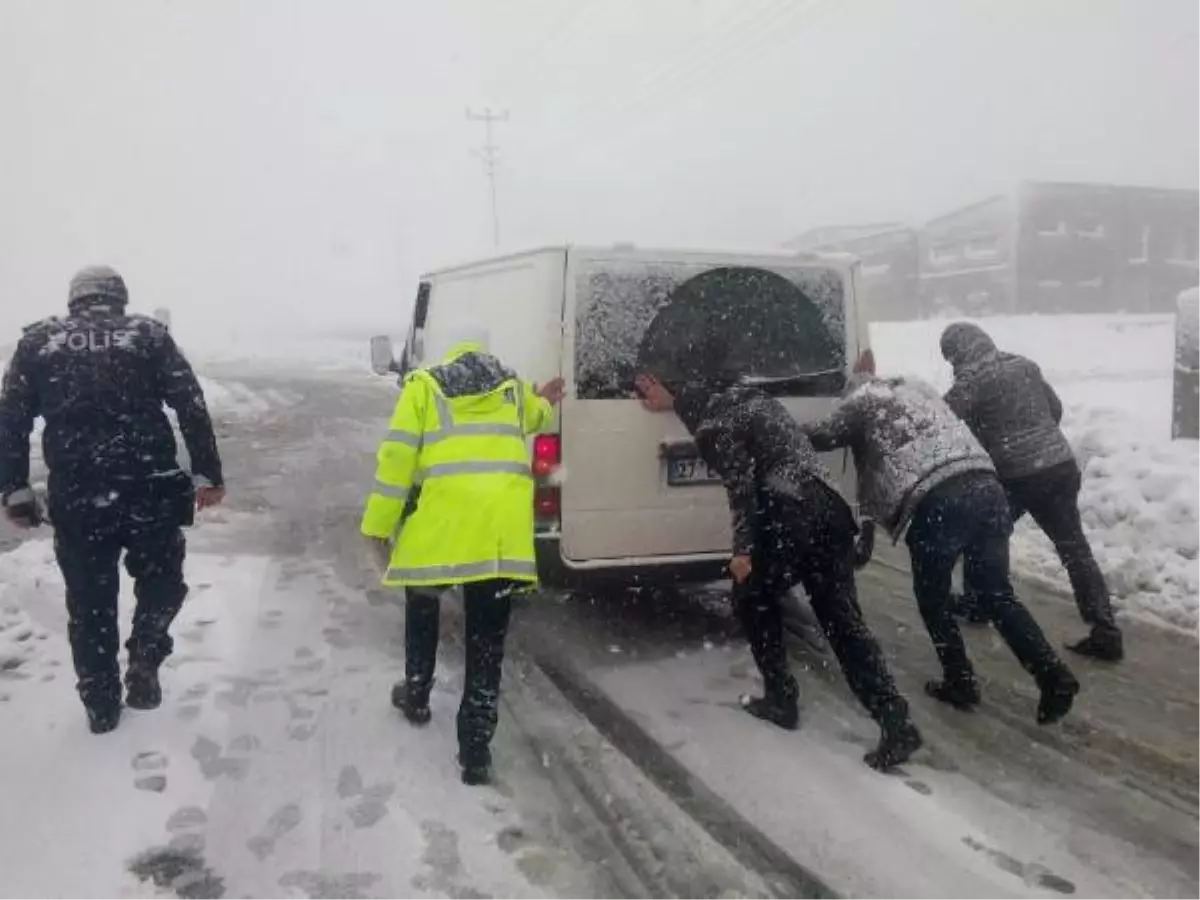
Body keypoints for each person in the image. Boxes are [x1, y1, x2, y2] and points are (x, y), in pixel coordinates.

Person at [634, 370, 923, 771]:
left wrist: (744, 551)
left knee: (751, 598)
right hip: (830, 510)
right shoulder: (760, 404)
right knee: (842, 622)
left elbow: (741, 487)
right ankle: (894, 717)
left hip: (789, 513)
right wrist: (678, 398)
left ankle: (781, 699)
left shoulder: (713, 426)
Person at [0, 266, 226, 734]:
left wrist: (15, 489)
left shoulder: (40, 343)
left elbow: (11, 420)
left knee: (89, 604)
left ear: (74, 300)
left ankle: (100, 705)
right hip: (150, 487)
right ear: (118, 298)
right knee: (162, 580)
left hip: (79, 498)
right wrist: (207, 472)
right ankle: (146, 647)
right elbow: (190, 403)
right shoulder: (147, 336)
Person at [803, 374, 1080, 725]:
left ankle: (960, 680)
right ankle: (1052, 674)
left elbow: (823, 434)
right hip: (987, 487)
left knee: (933, 598)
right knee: (996, 593)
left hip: (939, 501)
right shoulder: (920, 389)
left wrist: (780, 427)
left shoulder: (861, 403)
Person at [361, 326, 565, 786]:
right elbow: (533, 414)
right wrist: (546, 397)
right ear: (485, 352)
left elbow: (396, 459)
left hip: (442, 527)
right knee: (486, 641)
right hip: (499, 537)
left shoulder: (423, 385)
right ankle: (475, 751)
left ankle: (416, 693)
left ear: (449, 351)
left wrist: (377, 526)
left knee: (423, 605)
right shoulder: (511, 388)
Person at [940, 323, 1123, 662]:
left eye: (951, 357)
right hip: (1060, 468)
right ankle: (1105, 629)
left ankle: (980, 602)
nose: (952, 365)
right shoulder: (1024, 365)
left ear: (960, 352)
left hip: (1018, 475)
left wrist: (993, 435)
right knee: (1074, 548)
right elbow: (1055, 409)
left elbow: (941, 421)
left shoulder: (971, 383)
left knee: (981, 536)